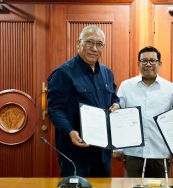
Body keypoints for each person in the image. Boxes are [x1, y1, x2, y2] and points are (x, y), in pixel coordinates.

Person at [47, 25, 120, 177]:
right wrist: (69, 131)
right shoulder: (63, 72)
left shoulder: (107, 73)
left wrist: (116, 105)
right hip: (76, 152)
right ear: (78, 44)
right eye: (89, 42)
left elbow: (113, 97)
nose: (94, 48)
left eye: (99, 44)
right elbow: (55, 108)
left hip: (103, 152)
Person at [113, 46, 173, 178]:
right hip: (133, 152)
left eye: (152, 61)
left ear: (159, 64)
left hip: (161, 152)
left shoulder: (171, 88)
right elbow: (117, 117)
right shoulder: (126, 86)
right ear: (138, 64)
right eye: (144, 61)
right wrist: (117, 147)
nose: (148, 64)